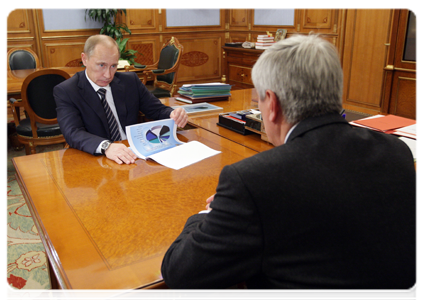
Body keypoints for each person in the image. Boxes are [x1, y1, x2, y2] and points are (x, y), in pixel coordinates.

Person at [161, 35, 419, 299]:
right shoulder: (395, 151)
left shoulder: (254, 180)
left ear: (271, 105)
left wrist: (209, 214)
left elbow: (181, 273)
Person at [54, 34, 188, 165]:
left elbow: (156, 109)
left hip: (135, 153)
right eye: (101, 65)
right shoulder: (67, 91)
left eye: (113, 66)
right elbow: (73, 133)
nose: (108, 75)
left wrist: (172, 114)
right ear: (85, 59)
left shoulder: (130, 81)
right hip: (98, 159)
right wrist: (107, 146)